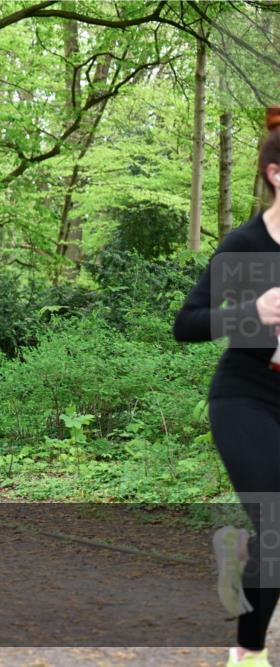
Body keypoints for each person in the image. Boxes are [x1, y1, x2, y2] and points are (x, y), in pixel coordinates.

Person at [174, 105, 280, 667]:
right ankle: (249, 652)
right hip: (247, 395)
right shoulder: (246, 247)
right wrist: (251, 310)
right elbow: (186, 325)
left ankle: (242, 554)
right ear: (276, 174)